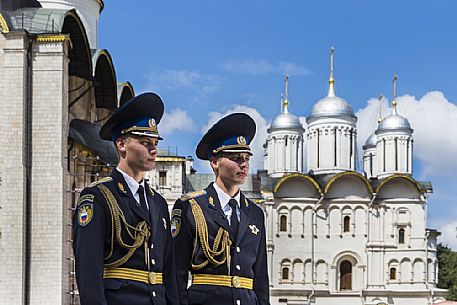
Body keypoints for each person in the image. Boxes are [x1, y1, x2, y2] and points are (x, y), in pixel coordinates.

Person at [72, 92, 179, 305]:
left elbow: (169, 273)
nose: (153, 149)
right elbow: (89, 273)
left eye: (155, 142)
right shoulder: (98, 197)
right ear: (121, 144)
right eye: (144, 142)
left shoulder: (157, 202)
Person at [172, 113, 270, 305]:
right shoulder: (191, 207)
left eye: (246, 158)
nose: (243, 164)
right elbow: (177, 273)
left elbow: (260, 278)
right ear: (215, 162)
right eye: (235, 158)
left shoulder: (255, 212)